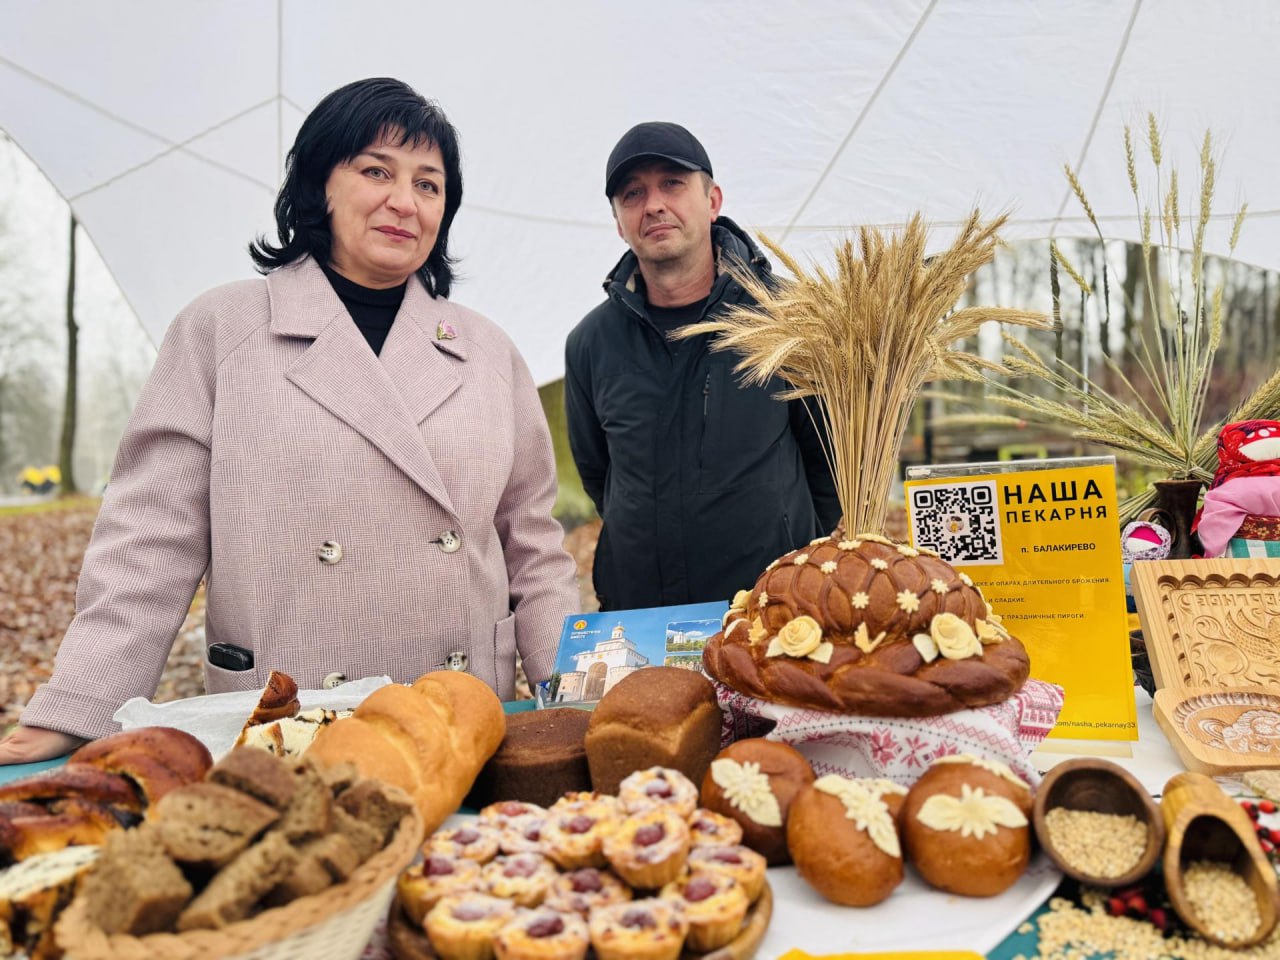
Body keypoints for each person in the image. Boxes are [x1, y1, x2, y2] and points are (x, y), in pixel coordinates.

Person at [0, 78, 578, 763]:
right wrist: (81, 705)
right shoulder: (223, 330)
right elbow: (152, 541)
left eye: (429, 183)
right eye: (375, 171)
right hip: (287, 721)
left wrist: (568, 694)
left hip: (457, 718)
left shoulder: (487, 351)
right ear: (318, 185)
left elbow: (532, 545)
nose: (404, 200)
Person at [564, 122, 840, 612]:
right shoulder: (590, 344)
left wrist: (792, 561)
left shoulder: (789, 319)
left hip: (773, 616)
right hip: (640, 620)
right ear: (618, 221)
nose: (653, 205)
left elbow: (830, 467)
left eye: (672, 183)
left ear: (712, 200)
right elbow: (599, 473)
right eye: (632, 194)